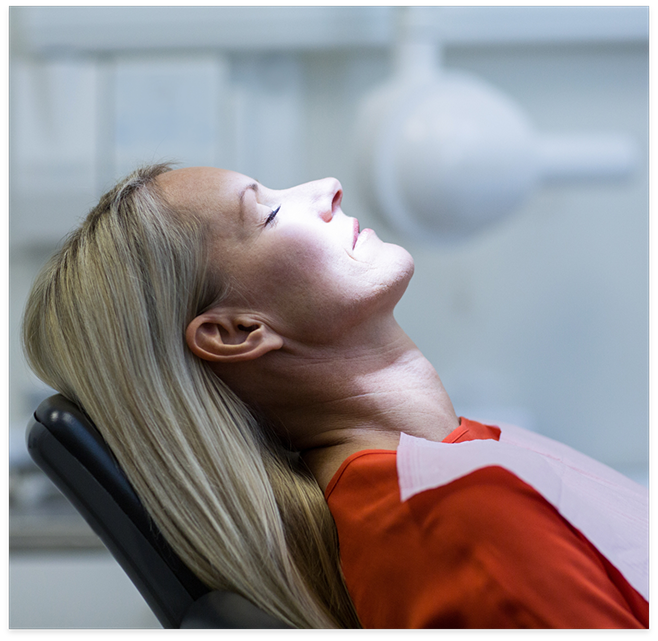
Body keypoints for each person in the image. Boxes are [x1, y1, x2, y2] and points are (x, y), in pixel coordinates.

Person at [22, 164, 648, 629]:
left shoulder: (446, 477)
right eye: (265, 213)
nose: (326, 186)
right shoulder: (452, 521)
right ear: (237, 332)